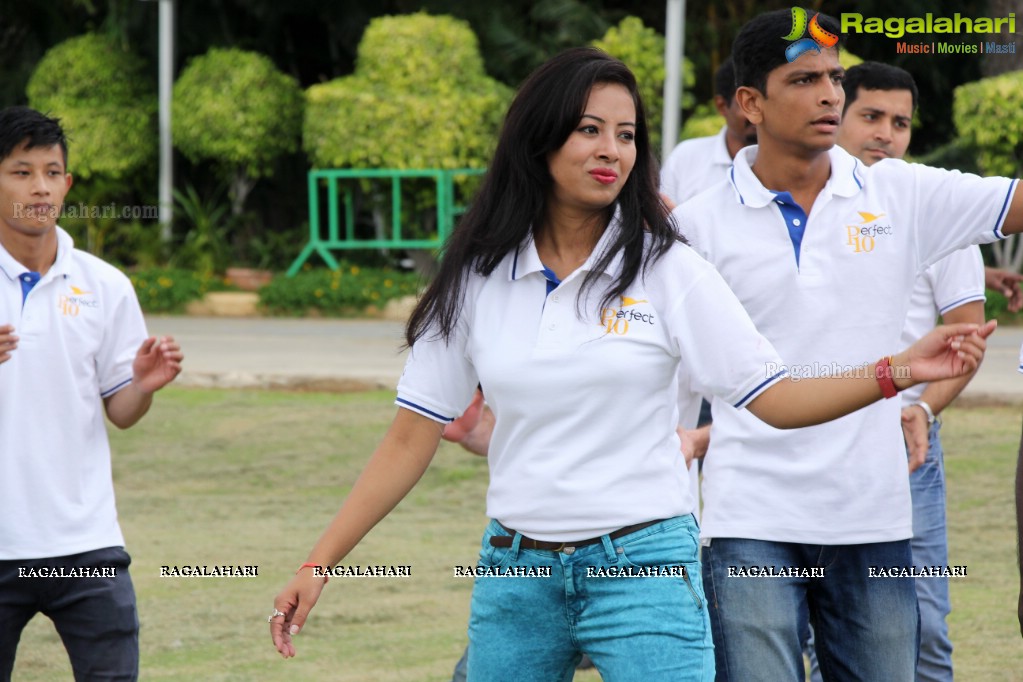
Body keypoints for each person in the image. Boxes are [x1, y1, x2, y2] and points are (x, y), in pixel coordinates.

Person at [269, 47, 992, 681]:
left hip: (646, 568)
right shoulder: (476, 279)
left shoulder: (669, 267)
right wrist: (318, 563)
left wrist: (897, 370)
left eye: (624, 134)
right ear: (538, 140)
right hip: (515, 575)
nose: (609, 148)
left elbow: (771, 398)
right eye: (588, 129)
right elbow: (408, 436)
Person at [674, 10, 1022, 681]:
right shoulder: (694, 228)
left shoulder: (899, 190)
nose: (830, 94)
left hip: (874, 515)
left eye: (833, 77)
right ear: (749, 103)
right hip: (747, 517)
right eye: (803, 78)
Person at [807, 60, 984, 682]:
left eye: (901, 122)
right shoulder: (800, 207)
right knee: (805, 630)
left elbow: (966, 336)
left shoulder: (933, 207)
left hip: (906, 442)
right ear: (834, 113)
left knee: (925, 626)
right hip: (806, 437)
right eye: (871, 116)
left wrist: (923, 408)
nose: (885, 133)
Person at [0, 106, 184, 681]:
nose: (40, 187)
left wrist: (143, 386)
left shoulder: (106, 285)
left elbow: (121, 411)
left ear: (68, 184)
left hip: (87, 545)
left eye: (52, 173)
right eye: (21, 171)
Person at [661, 57, 757, 206]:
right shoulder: (686, 159)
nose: (756, 112)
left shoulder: (790, 163)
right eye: (747, 103)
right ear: (722, 106)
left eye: (764, 101)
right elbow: (661, 223)